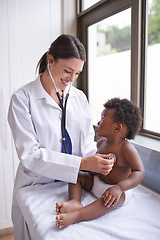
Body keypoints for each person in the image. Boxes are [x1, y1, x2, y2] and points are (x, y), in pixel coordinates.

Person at [8, 34, 115, 240]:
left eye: (77, 73)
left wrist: (100, 162)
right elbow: (30, 155)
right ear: (50, 60)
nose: (71, 79)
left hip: (74, 181)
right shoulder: (22, 99)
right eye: (67, 71)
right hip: (37, 182)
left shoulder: (79, 97)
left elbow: (86, 143)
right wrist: (83, 163)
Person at [55, 97, 145, 230]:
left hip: (115, 191)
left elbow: (139, 172)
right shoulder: (101, 143)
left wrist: (119, 188)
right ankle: (75, 201)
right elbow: (97, 168)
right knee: (75, 174)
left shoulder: (126, 148)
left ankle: (77, 216)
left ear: (116, 128)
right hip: (97, 183)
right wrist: (93, 170)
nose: (98, 122)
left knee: (109, 202)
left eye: (103, 119)